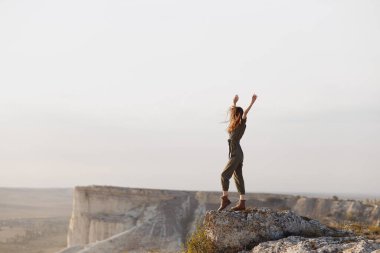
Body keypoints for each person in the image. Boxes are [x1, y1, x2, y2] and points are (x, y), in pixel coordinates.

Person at [218, 93, 258, 211]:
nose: (232, 115)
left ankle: (225, 199)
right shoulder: (234, 125)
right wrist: (234, 102)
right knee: (238, 178)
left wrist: (252, 102)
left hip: (236, 154)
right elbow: (233, 113)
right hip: (237, 154)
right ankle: (242, 203)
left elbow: (245, 113)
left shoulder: (241, 124)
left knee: (224, 176)